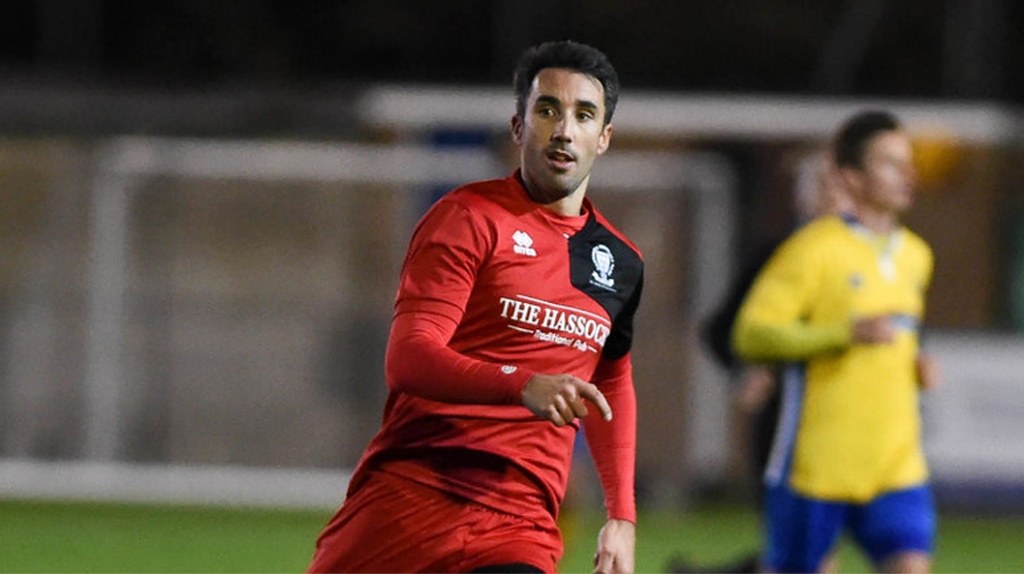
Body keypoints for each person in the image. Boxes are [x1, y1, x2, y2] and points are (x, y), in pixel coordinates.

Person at [307, 40, 643, 574]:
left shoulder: (620, 263)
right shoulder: (467, 218)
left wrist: (621, 515)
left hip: (518, 526)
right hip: (409, 502)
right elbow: (410, 358)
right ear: (518, 127)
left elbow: (612, 383)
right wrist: (521, 382)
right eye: (547, 109)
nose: (563, 130)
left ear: (603, 138)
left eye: (583, 115)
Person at [731, 109, 939, 573]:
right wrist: (842, 334)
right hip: (817, 468)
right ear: (851, 176)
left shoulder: (916, 256)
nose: (907, 172)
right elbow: (751, 334)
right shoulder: (811, 251)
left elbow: (901, 335)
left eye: (908, 161)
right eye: (889, 162)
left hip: (896, 464)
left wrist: (916, 364)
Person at [667, 152, 850, 574]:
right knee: (813, 554)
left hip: (844, 421)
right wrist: (744, 372)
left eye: (840, 185)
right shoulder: (776, 257)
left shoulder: (864, 260)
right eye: (823, 186)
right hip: (784, 420)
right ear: (804, 198)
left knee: (803, 556)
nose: (834, 196)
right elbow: (718, 329)